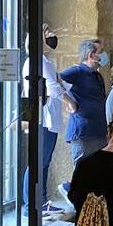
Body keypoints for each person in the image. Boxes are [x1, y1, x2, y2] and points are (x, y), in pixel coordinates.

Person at [23, 25, 68, 212]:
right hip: (43, 118)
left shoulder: (43, 61)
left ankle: (38, 201)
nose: (52, 36)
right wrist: (69, 101)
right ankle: (33, 203)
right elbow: (53, 87)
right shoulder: (39, 61)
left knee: (43, 160)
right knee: (39, 161)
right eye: (47, 33)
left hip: (46, 117)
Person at [60, 38, 109, 163]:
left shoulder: (96, 75)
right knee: (82, 175)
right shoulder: (78, 71)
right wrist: (68, 101)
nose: (104, 55)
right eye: (101, 51)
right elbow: (54, 80)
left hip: (98, 132)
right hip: (84, 133)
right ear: (91, 55)